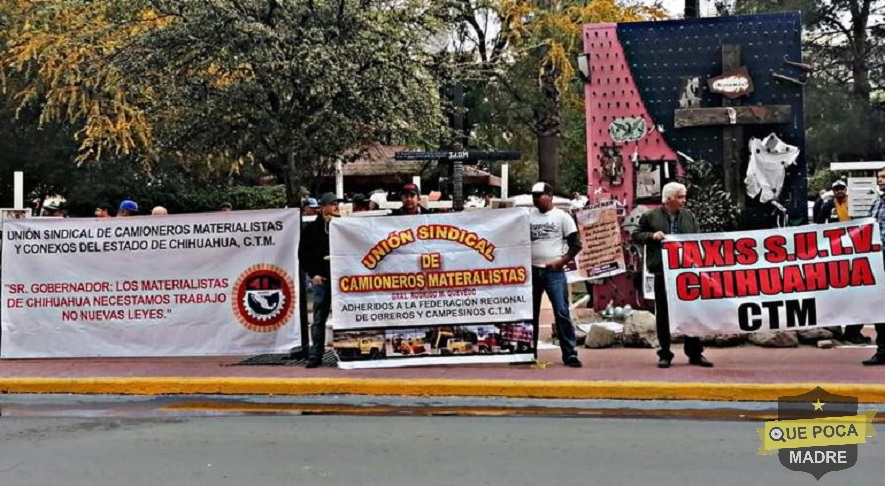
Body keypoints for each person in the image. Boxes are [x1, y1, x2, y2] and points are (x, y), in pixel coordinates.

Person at [632, 182, 713, 369]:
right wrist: (652, 236)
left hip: (685, 272)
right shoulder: (650, 216)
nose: (684, 201)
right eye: (680, 197)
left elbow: (696, 238)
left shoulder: (688, 216)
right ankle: (665, 353)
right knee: (664, 314)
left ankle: (695, 353)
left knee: (691, 311)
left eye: (684, 196)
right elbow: (636, 235)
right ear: (669, 199)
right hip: (663, 272)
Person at [529, 182, 583, 368]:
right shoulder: (528, 217)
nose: (535, 199)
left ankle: (570, 353)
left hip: (554, 271)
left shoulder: (562, 217)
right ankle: (529, 352)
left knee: (561, 311)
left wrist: (561, 261)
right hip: (533, 270)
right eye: (533, 195)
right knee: (530, 314)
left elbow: (576, 244)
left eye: (539, 195)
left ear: (549, 195)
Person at [298, 192, 340, 368]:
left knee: (343, 315)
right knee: (319, 317)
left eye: (337, 203)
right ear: (323, 208)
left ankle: (346, 350)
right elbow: (303, 255)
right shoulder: (312, 230)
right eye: (333, 204)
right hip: (321, 278)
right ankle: (316, 354)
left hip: (340, 278)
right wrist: (313, 273)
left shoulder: (343, 226)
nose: (336, 206)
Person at [862, 166, 885, 365]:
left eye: (884, 177)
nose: (881, 180)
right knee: (880, 308)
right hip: (878, 262)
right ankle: (883, 350)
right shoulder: (877, 204)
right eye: (879, 177)